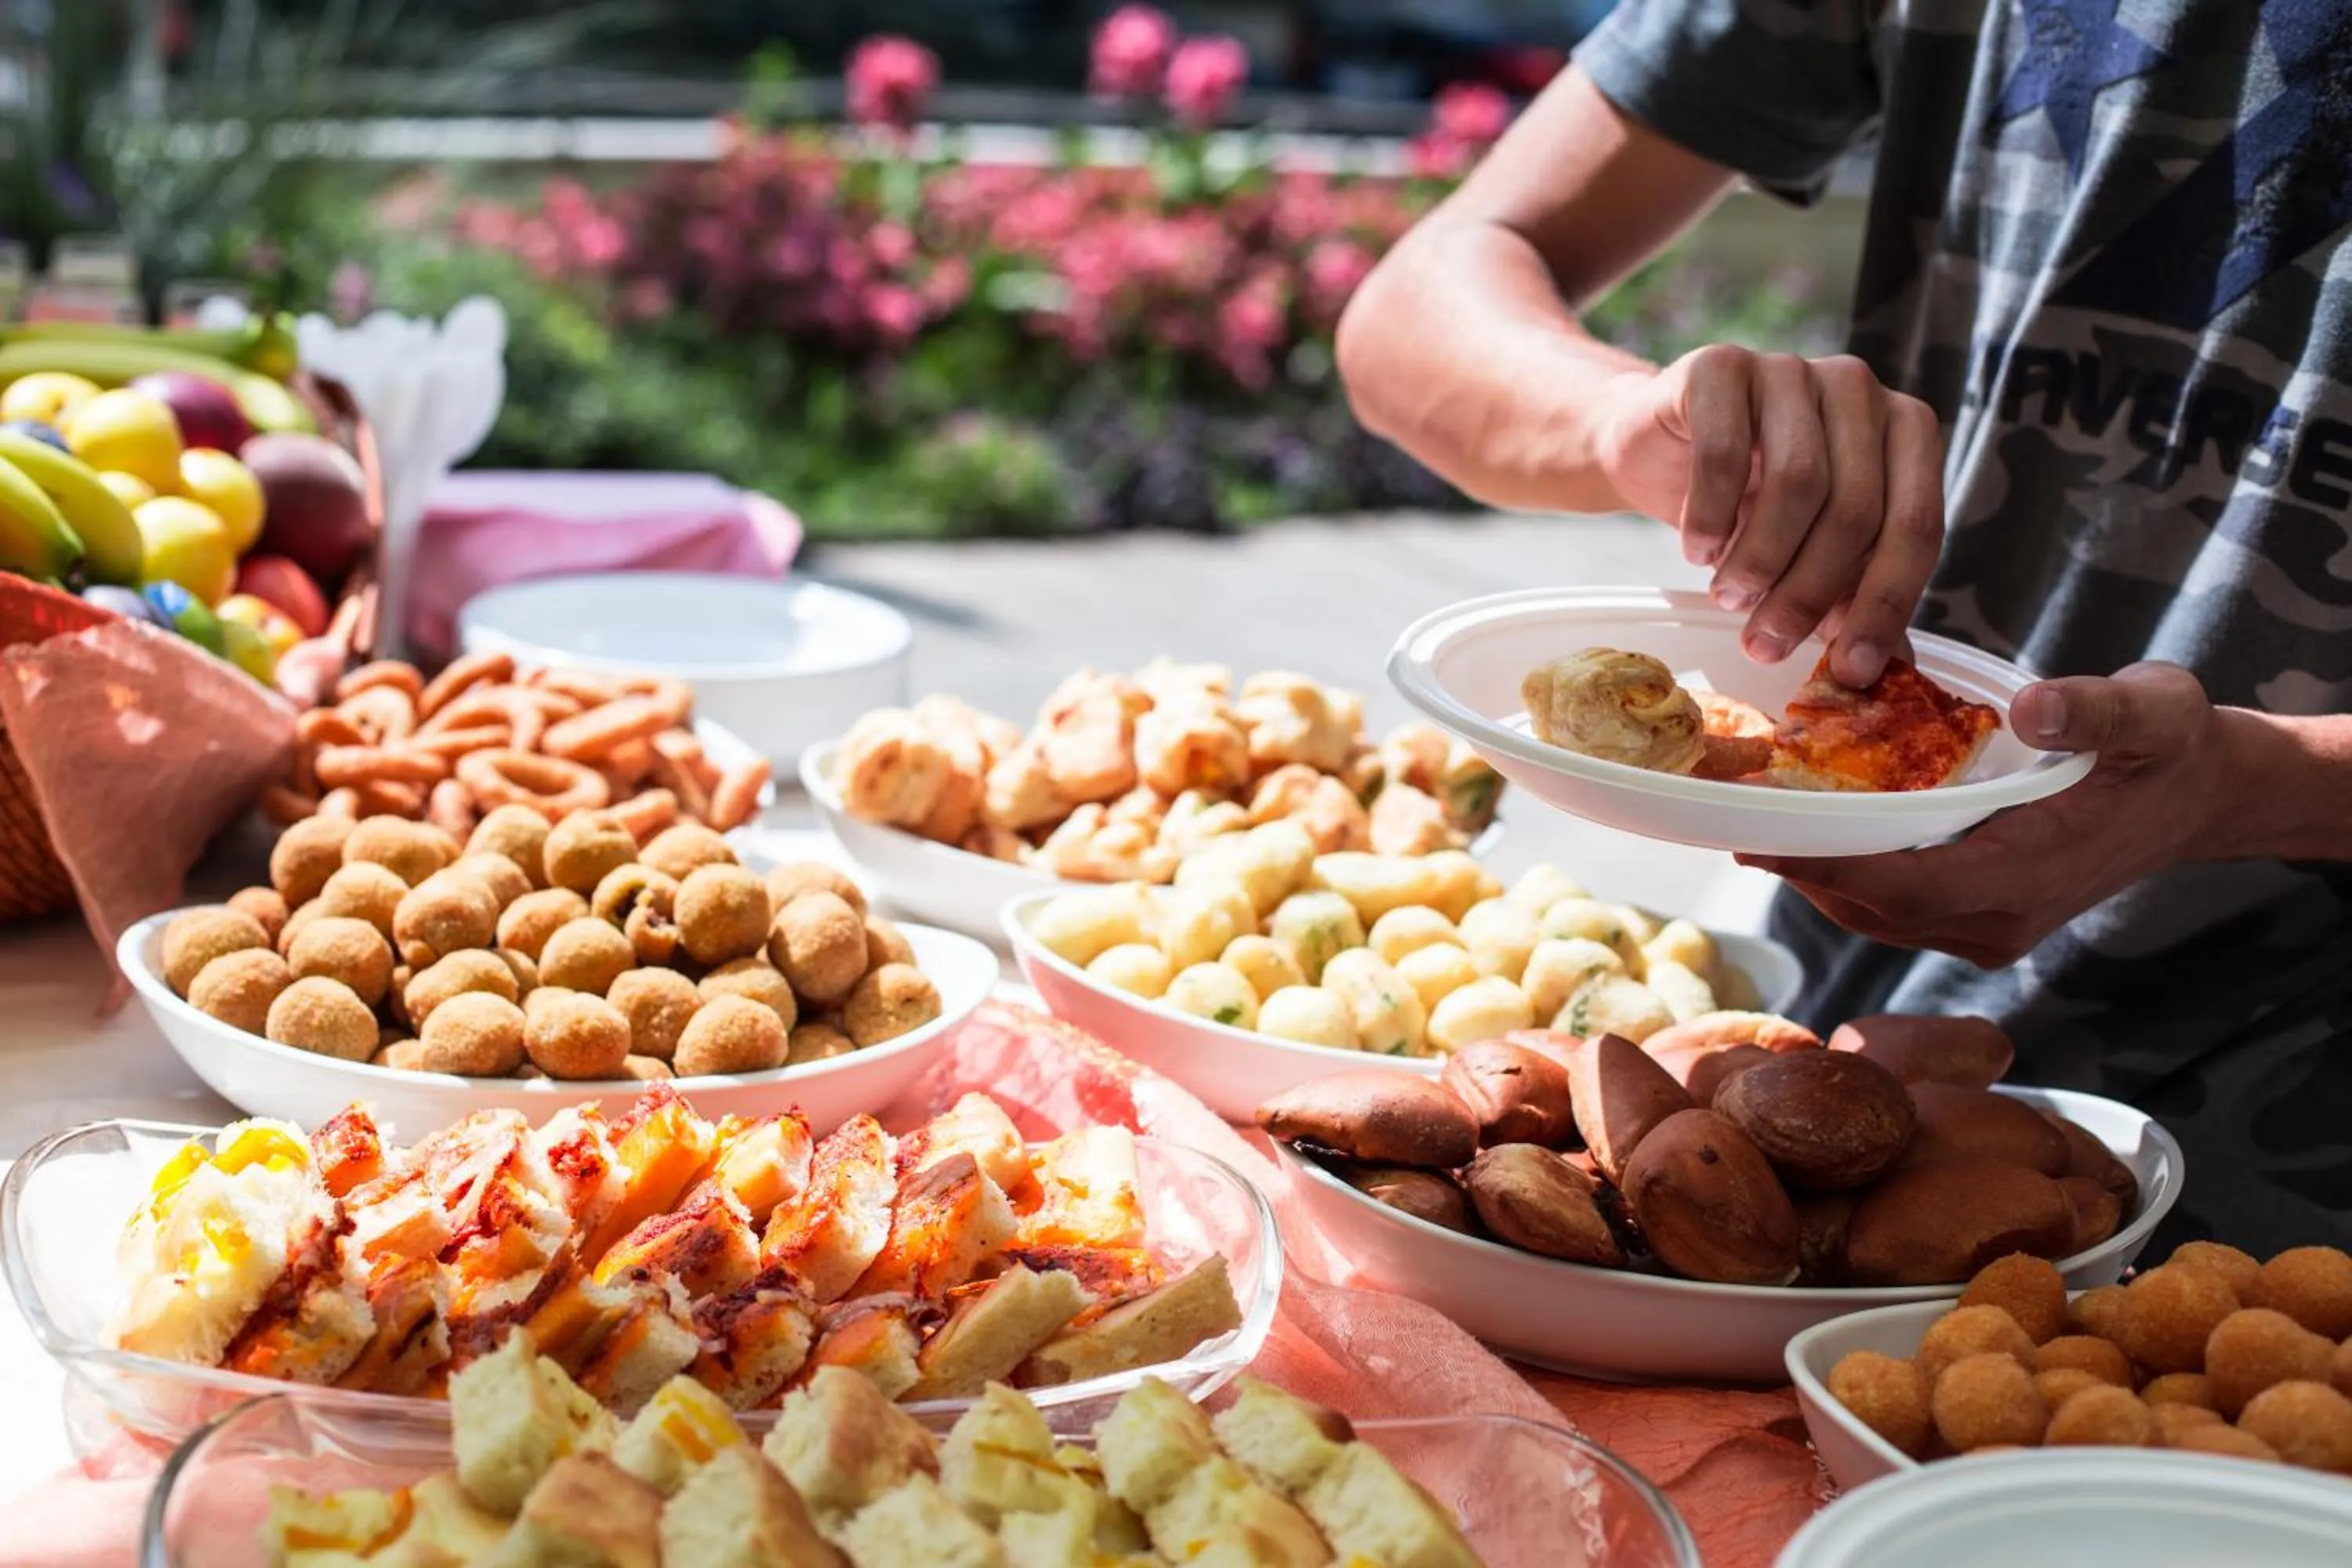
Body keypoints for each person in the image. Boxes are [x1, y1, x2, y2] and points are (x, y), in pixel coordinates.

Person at [1336, 1, 2352, 1255]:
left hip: (2295, 1189)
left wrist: (2264, 786)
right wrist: (1622, 422)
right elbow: (1411, 314)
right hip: (1828, 1091)